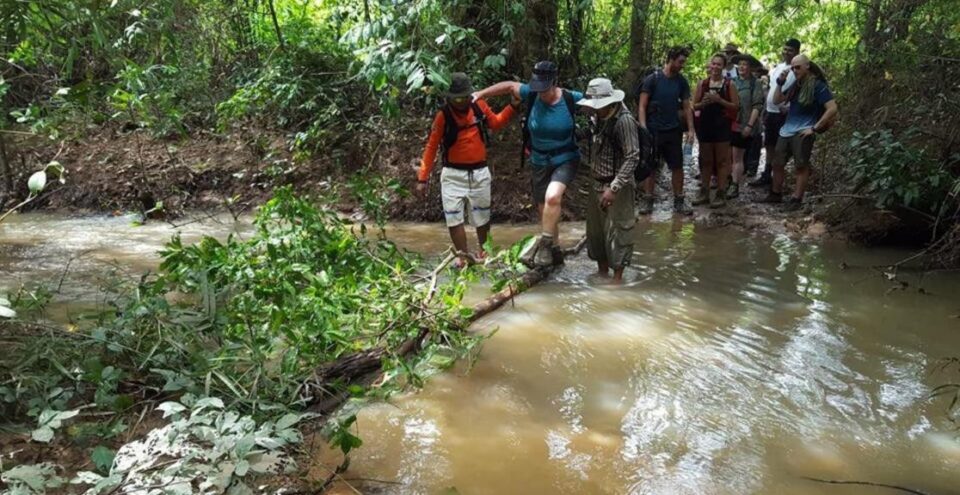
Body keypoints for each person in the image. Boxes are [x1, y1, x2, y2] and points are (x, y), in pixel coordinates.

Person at [473, 61, 583, 267]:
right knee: (544, 209)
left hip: (565, 158)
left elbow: (599, 103)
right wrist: (481, 94)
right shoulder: (530, 93)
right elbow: (508, 86)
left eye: (545, 88)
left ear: (554, 82)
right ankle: (555, 251)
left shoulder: (570, 98)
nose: (541, 93)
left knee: (552, 197)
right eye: (537, 88)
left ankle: (544, 244)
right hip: (539, 160)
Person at [417, 72, 516, 266]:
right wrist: (422, 178)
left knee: (482, 217)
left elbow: (495, 123)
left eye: (465, 97)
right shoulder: (443, 116)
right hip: (452, 175)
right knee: (454, 219)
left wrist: (513, 106)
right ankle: (463, 257)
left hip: (479, 173)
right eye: (457, 98)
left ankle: (484, 253)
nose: (462, 102)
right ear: (450, 98)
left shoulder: (479, 106)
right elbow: (431, 146)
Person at [576, 78, 639, 282]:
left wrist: (614, 187)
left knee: (619, 234)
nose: (593, 110)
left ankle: (617, 281)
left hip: (617, 187)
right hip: (596, 184)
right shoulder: (599, 119)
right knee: (596, 236)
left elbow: (633, 157)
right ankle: (602, 274)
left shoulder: (624, 121)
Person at [759, 54, 838, 211]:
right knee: (777, 163)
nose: (795, 70)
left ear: (807, 66)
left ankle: (796, 199)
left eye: (798, 67)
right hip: (786, 130)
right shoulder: (796, 84)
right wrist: (780, 83)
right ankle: (776, 194)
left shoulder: (817, 85)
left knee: (801, 166)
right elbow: (777, 100)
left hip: (803, 130)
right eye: (793, 68)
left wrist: (814, 128)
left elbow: (833, 108)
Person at [637, 46, 697, 215]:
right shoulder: (652, 79)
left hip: (673, 131)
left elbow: (687, 107)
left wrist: (691, 130)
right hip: (653, 130)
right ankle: (648, 200)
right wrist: (643, 127)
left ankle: (679, 200)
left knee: (677, 166)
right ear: (671, 58)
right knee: (651, 166)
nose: (682, 65)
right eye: (680, 61)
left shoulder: (681, 81)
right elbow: (642, 105)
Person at [750, 38, 800, 188]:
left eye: (790, 50)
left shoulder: (797, 69)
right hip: (771, 111)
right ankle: (767, 174)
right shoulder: (778, 68)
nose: (786, 52)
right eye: (785, 49)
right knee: (770, 144)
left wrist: (789, 106)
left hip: (784, 114)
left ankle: (778, 177)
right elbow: (772, 88)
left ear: (797, 51)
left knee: (781, 147)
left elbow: (796, 89)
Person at [691, 53, 739, 208]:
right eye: (713, 64)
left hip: (722, 126)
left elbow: (736, 106)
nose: (715, 67)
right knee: (705, 160)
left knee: (722, 161)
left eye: (719, 64)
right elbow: (694, 106)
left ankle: (721, 192)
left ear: (723, 67)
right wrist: (703, 103)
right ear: (709, 65)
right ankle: (704, 191)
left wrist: (719, 100)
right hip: (705, 125)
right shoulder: (702, 84)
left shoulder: (729, 84)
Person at [728, 54, 764, 198]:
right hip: (729, 124)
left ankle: (735, 186)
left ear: (751, 68)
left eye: (745, 64)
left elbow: (757, 105)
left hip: (743, 124)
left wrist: (749, 125)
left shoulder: (755, 84)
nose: (742, 67)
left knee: (737, 157)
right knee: (727, 156)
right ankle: (727, 182)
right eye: (740, 64)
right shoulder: (731, 82)